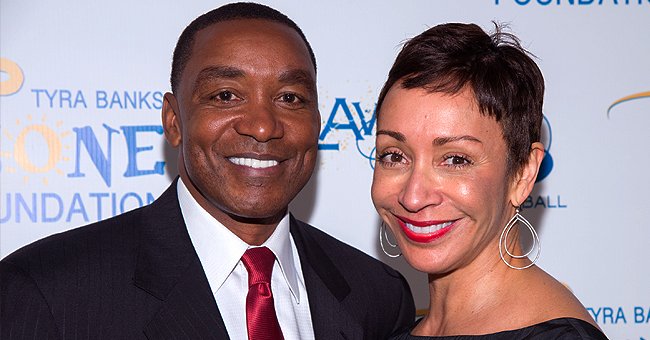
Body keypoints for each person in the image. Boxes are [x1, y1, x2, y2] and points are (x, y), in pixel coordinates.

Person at [0, 3, 415, 339]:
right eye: (226, 95)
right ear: (174, 120)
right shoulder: (46, 293)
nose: (263, 125)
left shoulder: (377, 296)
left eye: (290, 97)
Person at [371, 23, 607, 339]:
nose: (413, 197)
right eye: (395, 155)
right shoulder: (395, 328)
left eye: (455, 159)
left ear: (523, 173)